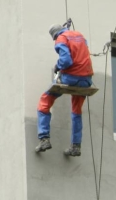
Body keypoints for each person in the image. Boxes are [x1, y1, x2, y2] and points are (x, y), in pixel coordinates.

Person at [35, 23, 94, 157]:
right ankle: (76, 146)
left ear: (55, 35)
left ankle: (44, 139)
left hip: (71, 78)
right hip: (86, 80)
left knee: (45, 100)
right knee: (76, 111)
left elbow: (66, 61)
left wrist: (58, 66)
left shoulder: (61, 39)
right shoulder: (80, 35)